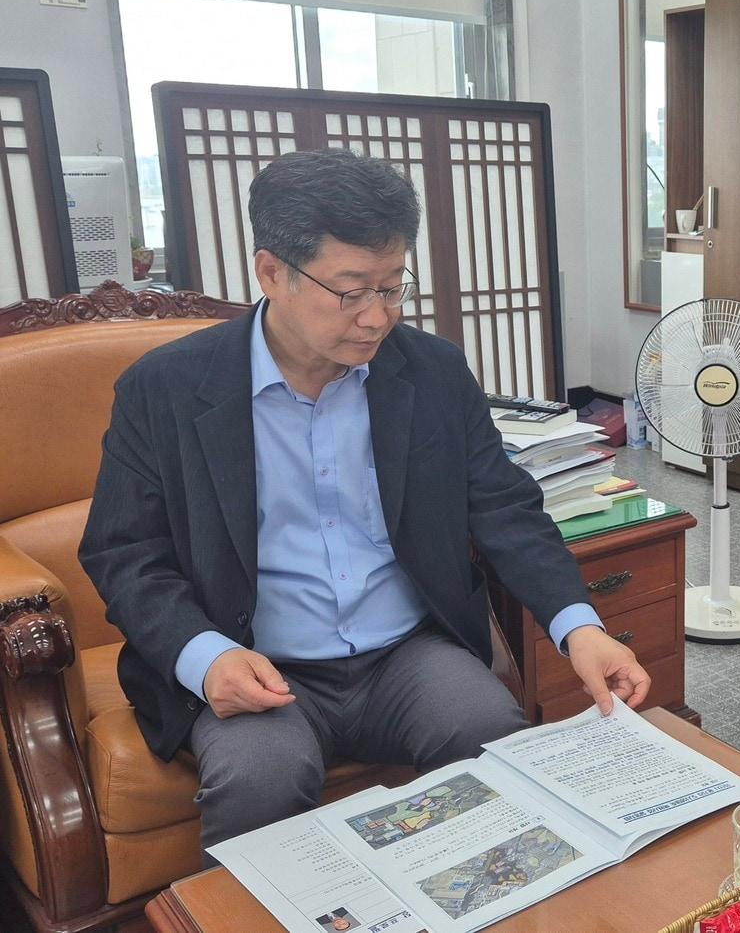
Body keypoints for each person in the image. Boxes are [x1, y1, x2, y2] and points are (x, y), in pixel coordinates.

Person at [79, 148, 649, 853]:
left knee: (492, 735)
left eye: (393, 286)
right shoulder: (164, 389)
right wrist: (205, 656)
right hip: (258, 659)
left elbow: (504, 507)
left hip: (405, 653)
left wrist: (579, 626)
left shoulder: (432, 372)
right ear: (271, 273)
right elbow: (124, 551)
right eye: (352, 291)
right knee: (260, 777)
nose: (379, 317)